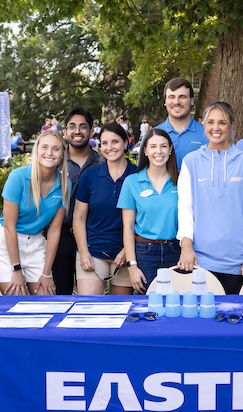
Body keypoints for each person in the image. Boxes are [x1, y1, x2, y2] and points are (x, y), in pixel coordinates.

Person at [177, 102, 243, 294]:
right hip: (200, 261)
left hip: (237, 261)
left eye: (222, 123)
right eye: (210, 122)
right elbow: (185, 208)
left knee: (233, 318)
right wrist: (186, 246)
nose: (216, 128)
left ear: (231, 125)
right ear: (203, 125)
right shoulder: (190, 162)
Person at [0, 130, 69, 295]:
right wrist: (16, 269)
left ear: (62, 154)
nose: (49, 153)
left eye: (56, 148)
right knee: (18, 302)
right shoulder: (17, 177)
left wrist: (46, 272)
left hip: (35, 244)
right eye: (44, 147)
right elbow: (9, 226)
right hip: (7, 242)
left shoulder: (65, 184)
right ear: (37, 150)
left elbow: (54, 230)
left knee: (45, 303)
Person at [72, 123, 136, 295]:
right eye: (105, 143)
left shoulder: (137, 176)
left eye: (115, 142)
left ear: (125, 143)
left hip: (126, 254)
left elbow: (143, 220)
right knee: (88, 311)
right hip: (93, 253)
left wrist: (127, 251)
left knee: (119, 313)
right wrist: (84, 252)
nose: (110, 147)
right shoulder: (90, 176)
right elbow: (78, 218)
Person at [118, 129, 180, 292]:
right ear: (145, 150)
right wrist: (132, 266)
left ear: (170, 149)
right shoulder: (132, 182)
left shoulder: (181, 181)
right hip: (145, 252)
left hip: (175, 252)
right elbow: (128, 228)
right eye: (153, 146)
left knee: (175, 304)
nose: (158, 151)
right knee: (148, 308)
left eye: (163, 146)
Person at [52, 107, 104, 295]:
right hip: (61, 234)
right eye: (72, 127)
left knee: (90, 296)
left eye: (83, 127)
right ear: (65, 132)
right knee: (61, 292)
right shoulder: (55, 161)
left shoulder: (103, 163)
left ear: (91, 131)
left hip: (93, 234)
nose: (77, 131)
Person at [156, 77, 208, 168]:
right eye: (171, 97)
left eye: (182, 97)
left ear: (192, 100)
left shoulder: (207, 134)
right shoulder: (153, 135)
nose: (176, 102)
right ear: (165, 101)